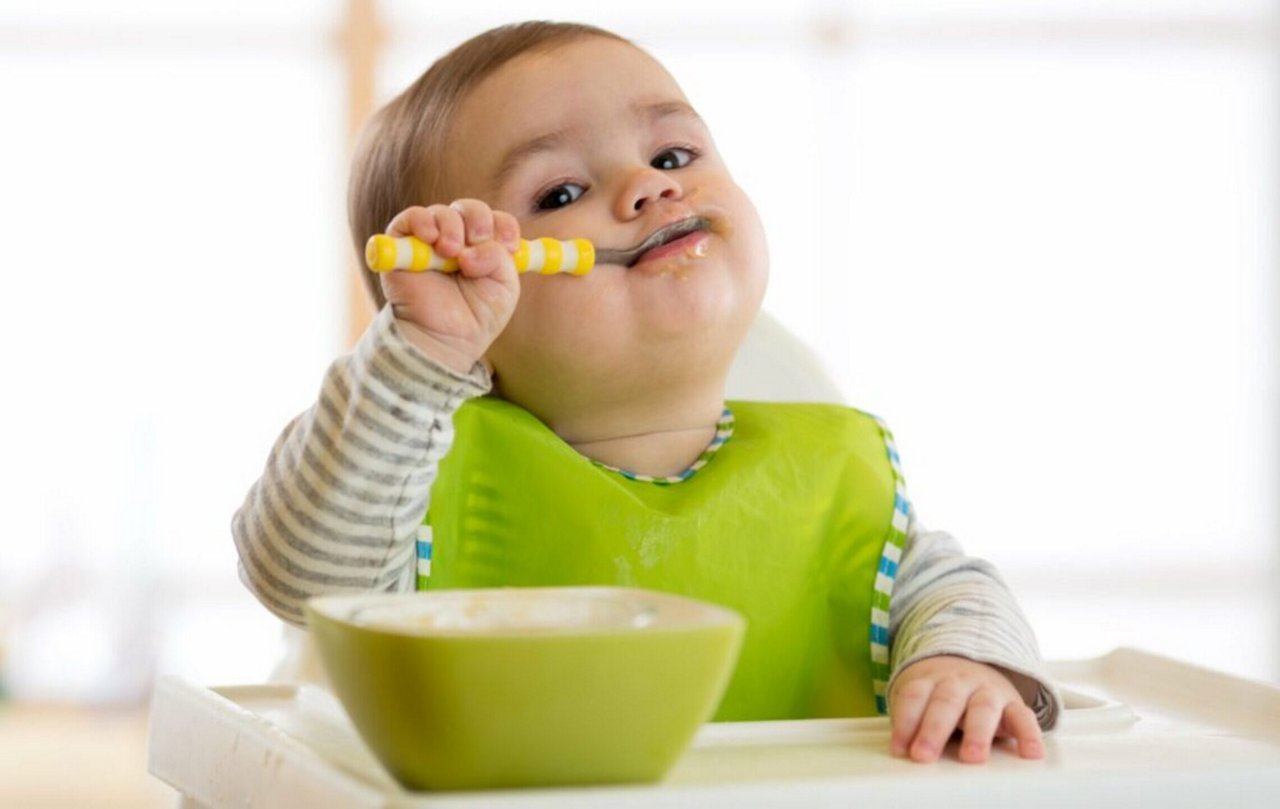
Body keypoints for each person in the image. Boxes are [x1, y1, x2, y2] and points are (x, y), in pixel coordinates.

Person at [233, 20, 1061, 765]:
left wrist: (964, 667)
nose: (647, 185)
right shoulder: (418, 499)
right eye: (560, 193)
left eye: (674, 156)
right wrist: (419, 355)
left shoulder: (835, 482)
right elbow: (301, 581)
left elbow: (960, 593)